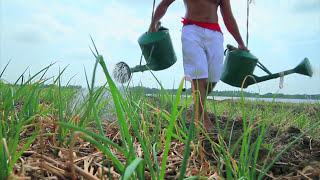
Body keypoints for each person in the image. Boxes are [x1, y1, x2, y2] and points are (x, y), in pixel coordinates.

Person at [150, 0, 248, 131]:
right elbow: (164, 4)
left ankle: (198, 106)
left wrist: (240, 43)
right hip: (192, 30)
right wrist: (152, 25)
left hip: (215, 34)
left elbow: (228, 17)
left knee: (214, 77)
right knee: (198, 74)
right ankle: (202, 118)